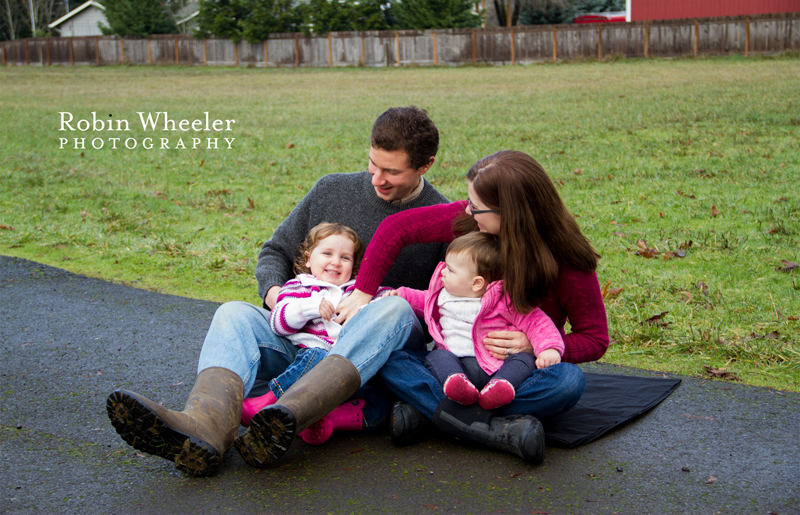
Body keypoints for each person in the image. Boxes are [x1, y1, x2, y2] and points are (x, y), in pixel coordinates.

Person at [106, 106, 450, 477]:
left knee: (395, 309)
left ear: (425, 166)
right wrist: (276, 298)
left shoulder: (442, 216)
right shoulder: (331, 190)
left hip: (372, 358)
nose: (377, 179)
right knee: (233, 313)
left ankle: (288, 417)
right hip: (304, 337)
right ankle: (205, 427)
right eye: (372, 164)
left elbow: (450, 304)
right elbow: (276, 251)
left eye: (392, 172)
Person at [337, 150, 609, 464]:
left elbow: (595, 339)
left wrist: (535, 346)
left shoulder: (567, 260)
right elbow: (396, 228)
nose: (468, 210)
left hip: (515, 374)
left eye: (476, 207)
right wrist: (362, 292)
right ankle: (496, 430)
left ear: (510, 212)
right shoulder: (471, 224)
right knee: (388, 358)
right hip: (454, 367)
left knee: (568, 382)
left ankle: (432, 413)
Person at [240, 222, 390, 446]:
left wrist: (390, 297)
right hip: (312, 362)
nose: (335, 262)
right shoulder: (299, 287)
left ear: (354, 266)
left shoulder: (358, 289)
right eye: (327, 253)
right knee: (318, 358)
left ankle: (327, 421)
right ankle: (269, 401)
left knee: (383, 399)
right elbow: (279, 322)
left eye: (345, 258)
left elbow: (381, 302)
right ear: (309, 258)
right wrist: (310, 307)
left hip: (352, 369)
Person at [385, 231, 565, 411]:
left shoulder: (505, 301)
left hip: (498, 367)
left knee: (525, 359)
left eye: (450, 269)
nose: (442, 272)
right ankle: (456, 384)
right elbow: (421, 299)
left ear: (476, 283)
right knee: (436, 356)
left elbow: (537, 321)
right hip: (456, 363)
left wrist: (548, 348)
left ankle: (500, 388)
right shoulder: (441, 296)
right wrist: (401, 295)